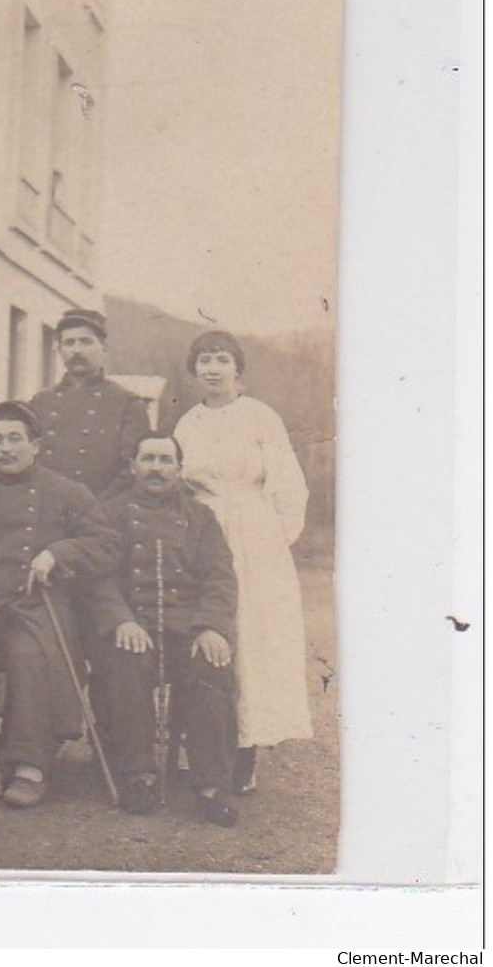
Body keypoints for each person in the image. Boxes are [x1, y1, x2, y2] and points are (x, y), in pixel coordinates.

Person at [0, 401, 119, 808]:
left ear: (35, 445)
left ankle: (28, 765)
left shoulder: (67, 492)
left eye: (15, 439)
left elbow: (106, 544)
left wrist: (58, 552)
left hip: (36, 601)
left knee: (29, 653)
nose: (6, 448)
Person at [172, 330, 312, 793]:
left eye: (221, 360)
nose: (212, 369)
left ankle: (245, 751)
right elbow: (179, 486)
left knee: (251, 641)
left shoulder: (259, 417)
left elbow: (290, 486)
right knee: (208, 637)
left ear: (237, 368)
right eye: (204, 361)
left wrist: (272, 540)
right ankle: (208, 749)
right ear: (193, 371)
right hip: (201, 533)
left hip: (254, 537)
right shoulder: (187, 423)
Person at [85, 433, 240, 826]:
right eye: (148, 459)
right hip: (134, 627)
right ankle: (139, 775)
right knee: (126, 659)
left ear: (179, 469)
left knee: (213, 664)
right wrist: (121, 619)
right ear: (133, 466)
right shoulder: (110, 513)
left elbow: (220, 578)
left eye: (165, 460)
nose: (156, 468)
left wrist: (210, 628)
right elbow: (99, 579)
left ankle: (211, 786)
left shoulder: (201, 517)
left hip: (187, 630)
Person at [30, 308, 152, 496]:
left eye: (86, 341)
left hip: (102, 515)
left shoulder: (127, 404)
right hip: (46, 511)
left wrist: (94, 510)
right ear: (60, 350)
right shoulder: (40, 402)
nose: (77, 350)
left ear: (103, 349)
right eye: (69, 343)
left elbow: (132, 469)